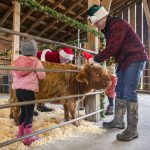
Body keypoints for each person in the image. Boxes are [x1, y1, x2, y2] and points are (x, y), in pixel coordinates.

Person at [87, 4, 149, 141]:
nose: (96, 26)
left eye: (97, 22)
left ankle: (132, 129)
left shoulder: (117, 25)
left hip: (135, 58)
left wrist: (95, 59)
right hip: (124, 61)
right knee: (119, 90)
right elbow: (114, 49)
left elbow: (113, 47)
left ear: (102, 18)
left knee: (129, 91)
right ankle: (119, 120)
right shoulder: (108, 28)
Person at [11, 38, 46, 145]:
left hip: (18, 91)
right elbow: (42, 75)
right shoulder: (36, 61)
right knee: (29, 113)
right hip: (28, 92)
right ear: (34, 50)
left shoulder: (16, 61)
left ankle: (20, 133)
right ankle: (28, 137)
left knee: (23, 110)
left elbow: (13, 74)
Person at [36, 47, 74, 112]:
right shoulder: (52, 56)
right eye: (66, 58)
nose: (67, 61)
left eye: (68, 60)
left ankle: (41, 105)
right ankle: (38, 106)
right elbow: (42, 59)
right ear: (62, 55)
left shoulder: (60, 60)